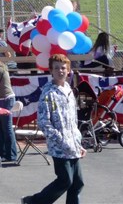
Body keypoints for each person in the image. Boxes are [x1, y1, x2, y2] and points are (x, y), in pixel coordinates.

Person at [22, 54, 85, 204]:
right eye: (56, 68)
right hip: (59, 147)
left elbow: (73, 121)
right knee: (65, 180)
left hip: (73, 144)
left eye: (63, 68)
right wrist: (60, 139)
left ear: (68, 70)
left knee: (77, 183)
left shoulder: (69, 90)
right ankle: (33, 201)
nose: (60, 71)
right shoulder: (48, 93)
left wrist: (78, 142)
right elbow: (44, 122)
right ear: (51, 70)